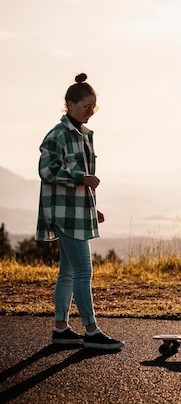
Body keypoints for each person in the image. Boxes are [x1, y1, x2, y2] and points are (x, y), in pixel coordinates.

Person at [36, 73, 124, 350]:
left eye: (93, 108)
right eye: (86, 106)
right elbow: (46, 170)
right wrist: (80, 178)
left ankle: (61, 329)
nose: (90, 112)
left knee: (68, 272)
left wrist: (91, 208)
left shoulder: (84, 136)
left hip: (77, 212)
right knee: (84, 271)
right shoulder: (57, 135)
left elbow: (82, 180)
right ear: (70, 104)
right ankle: (91, 331)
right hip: (63, 214)